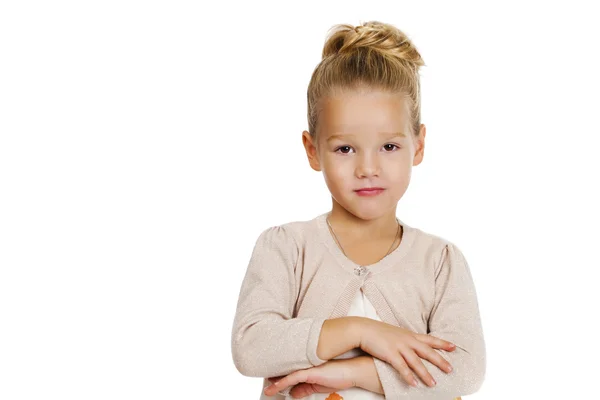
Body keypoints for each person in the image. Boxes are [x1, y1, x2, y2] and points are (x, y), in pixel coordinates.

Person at [231, 20, 486, 400]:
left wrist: (353, 373)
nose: (368, 168)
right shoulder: (286, 248)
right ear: (312, 149)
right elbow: (251, 347)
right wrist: (360, 331)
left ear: (418, 145)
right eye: (345, 149)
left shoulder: (440, 262)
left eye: (389, 147)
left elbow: (464, 371)